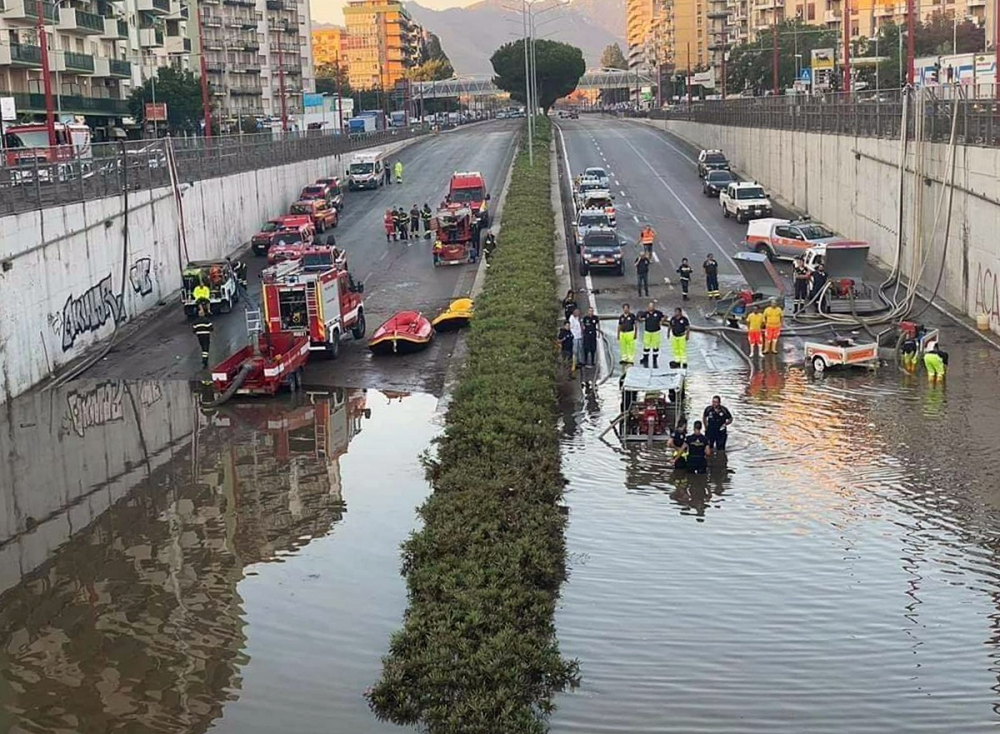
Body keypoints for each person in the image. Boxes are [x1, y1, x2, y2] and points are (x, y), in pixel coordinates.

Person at [636, 301, 665, 368]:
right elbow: (639, 318)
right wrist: (640, 319)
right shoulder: (645, 313)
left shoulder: (658, 313)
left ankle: (655, 360)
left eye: (652, 307)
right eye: (649, 307)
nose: (650, 308)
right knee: (646, 346)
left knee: (655, 346)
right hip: (647, 332)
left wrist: (662, 321)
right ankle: (645, 358)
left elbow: (664, 316)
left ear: (654, 307)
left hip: (656, 332)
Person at [192, 300, 214, 367]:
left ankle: (204, 359)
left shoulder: (195, 321)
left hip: (199, 336)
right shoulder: (207, 320)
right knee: (206, 348)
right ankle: (205, 360)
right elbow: (211, 328)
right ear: (203, 314)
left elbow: (194, 330)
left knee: (202, 347)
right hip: (206, 335)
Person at [569, 307, 584, 373]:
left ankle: (580, 361)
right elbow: (571, 328)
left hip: (579, 336)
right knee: (575, 350)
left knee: (580, 349)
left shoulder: (578, 318)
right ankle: (575, 363)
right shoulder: (571, 319)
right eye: (577, 312)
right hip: (575, 337)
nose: (578, 313)